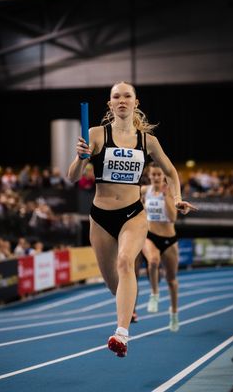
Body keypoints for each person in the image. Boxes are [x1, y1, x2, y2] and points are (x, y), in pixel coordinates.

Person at [67, 81, 196, 357]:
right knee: (112, 283)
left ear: (135, 103)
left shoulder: (147, 141)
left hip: (133, 214)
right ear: (110, 104)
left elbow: (172, 172)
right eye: (116, 97)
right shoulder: (96, 134)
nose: (122, 100)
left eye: (127, 96)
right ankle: (129, 307)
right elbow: (73, 177)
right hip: (100, 217)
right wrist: (80, 159)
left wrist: (176, 198)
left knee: (126, 261)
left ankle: (121, 334)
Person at [141, 162, 181, 332]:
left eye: (159, 174)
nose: (156, 177)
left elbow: (172, 218)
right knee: (154, 261)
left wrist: (165, 197)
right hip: (151, 236)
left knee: (172, 281)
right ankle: (154, 294)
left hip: (169, 239)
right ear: (149, 176)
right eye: (154, 174)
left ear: (164, 176)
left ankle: (173, 314)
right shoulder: (144, 191)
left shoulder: (170, 192)